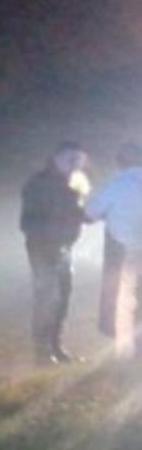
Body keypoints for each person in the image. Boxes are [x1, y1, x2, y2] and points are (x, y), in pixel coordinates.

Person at [19, 141, 91, 364]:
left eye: (78, 160)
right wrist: (50, 237)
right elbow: (28, 220)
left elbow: (77, 212)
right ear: (56, 157)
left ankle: (55, 346)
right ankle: (43, 351)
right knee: (47, 298)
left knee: (63, 297)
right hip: (43, 248)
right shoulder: (39, 183)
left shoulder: (76, 182)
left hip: (64, 248)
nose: (75, 164)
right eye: (70, 158)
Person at [85, 142, 142, 358]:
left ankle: (126, 345)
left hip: (122, 250)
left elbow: (90, 214)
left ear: (119, 163)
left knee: (123, 297)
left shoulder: (115, 185)